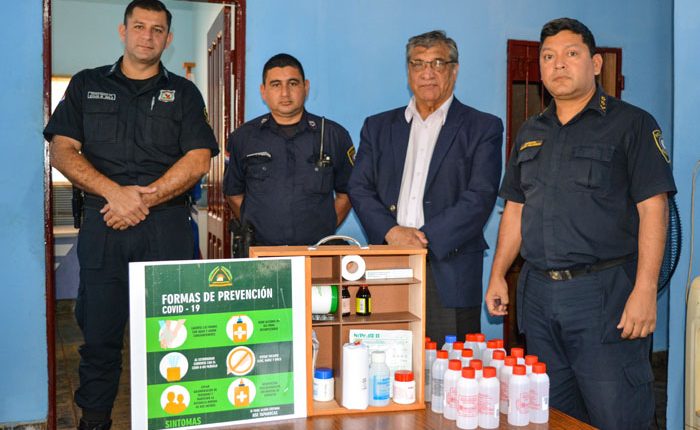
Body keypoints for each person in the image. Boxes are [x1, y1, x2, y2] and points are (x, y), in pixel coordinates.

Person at [485, 18, 676, 430]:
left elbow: (653, 208)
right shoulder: (530, 132)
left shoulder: (632, 124)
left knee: (617, 413)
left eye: (571, 54)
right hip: (537, 297)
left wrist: (645, 290)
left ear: (595, 63)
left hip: (603, 295)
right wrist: (498, 274)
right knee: (553, 415)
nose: (559, 64)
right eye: (548, 57)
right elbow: (515, 209)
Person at [43, 1, 218, 429]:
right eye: (139, 26)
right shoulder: (86, 84)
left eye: (157, 29)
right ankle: (95, 422)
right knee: (100, 340)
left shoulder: (184, 92)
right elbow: (62, 149)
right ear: (123, 31)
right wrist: (114, 194)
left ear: (168, 39)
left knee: (172, 340)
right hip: (105, 225)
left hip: (167, 229)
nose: (147, 36)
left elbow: (198, 159)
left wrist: (142, 200)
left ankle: (169, 420)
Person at [348, 31, 503, 344]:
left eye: (437, 63)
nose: (427, 73)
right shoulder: (377, 127)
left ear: (454, 70)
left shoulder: (483, 127)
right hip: (388, 261)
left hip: (449, 266)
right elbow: (359, 187)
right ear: (408, 71)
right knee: (386, 361)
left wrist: (423, 239)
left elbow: (480, 197)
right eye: (418, 64)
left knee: (448, 373)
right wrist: (392, 233)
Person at [223, 53, 354, 247]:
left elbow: (347, 193)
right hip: (261, 253)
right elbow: (233, 194)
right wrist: (260, 227)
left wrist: (323, 228)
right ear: (263, 91)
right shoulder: (243, 138)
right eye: (276, 85)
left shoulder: (333, 135)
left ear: (306, 87)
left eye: (293, 83)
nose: (285, 93)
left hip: (317, 252)